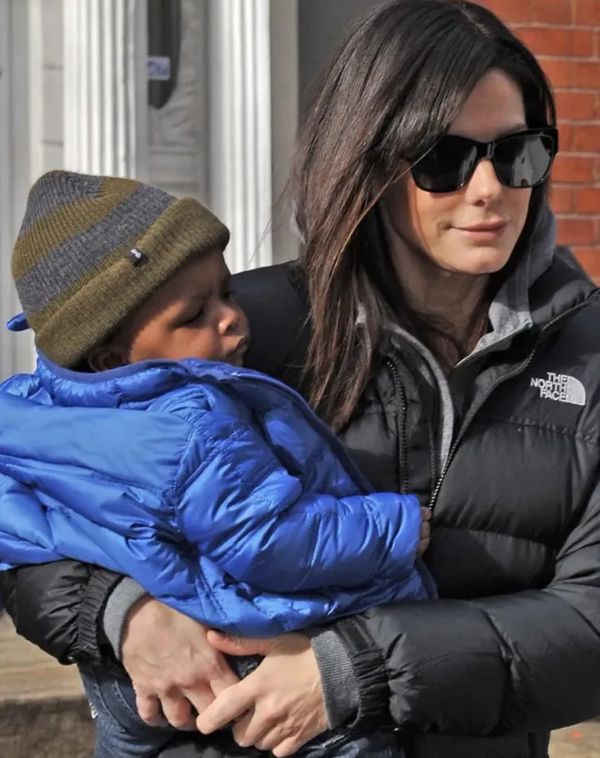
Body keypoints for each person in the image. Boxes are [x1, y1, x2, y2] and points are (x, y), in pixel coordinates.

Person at [2, 0, 600, 756]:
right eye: (443, 159)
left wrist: (355, 670)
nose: (489, 190)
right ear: (367, 160)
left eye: (519, 152)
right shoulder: (234, 335)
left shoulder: (589, 355)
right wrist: (121, 612)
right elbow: (43, 503)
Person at [0, 170, 432, 757]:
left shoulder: (27, 411)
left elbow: (17, 522)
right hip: (232, 646)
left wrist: (115, 603)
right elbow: (268, 539)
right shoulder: (192, 425)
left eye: (226, 293)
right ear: (107, 356)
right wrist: (395, 529)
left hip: (114, 679)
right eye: (193, 315)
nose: (230, 318)